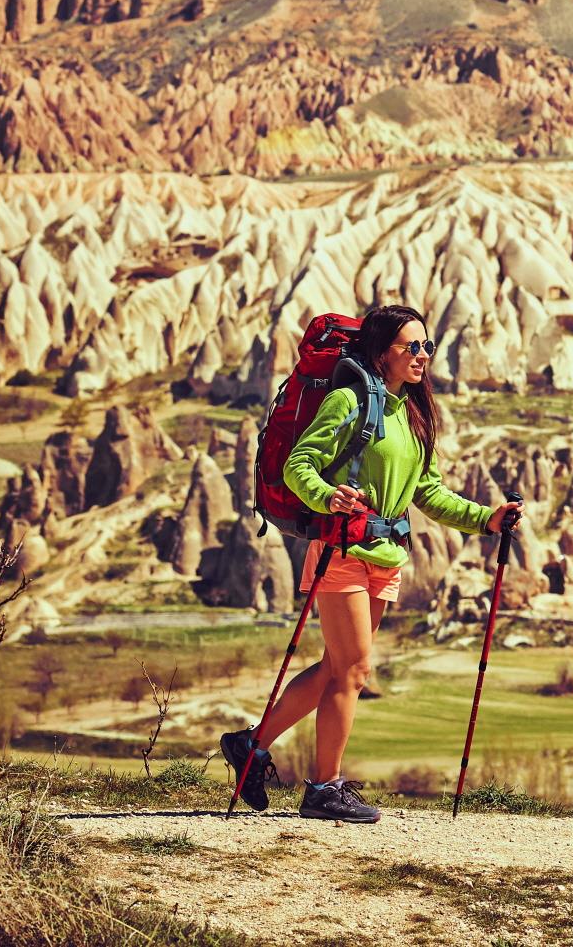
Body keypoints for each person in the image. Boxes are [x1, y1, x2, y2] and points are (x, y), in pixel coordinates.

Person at [221, 305, 522, 823]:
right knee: (355, 670)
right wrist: (326, 497)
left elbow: (426, 491)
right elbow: (300, 465)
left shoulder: (415, 413)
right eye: (411, 347)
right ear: (382, 352)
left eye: (427, 346)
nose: (423, 356)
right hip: (341, 550)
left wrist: (485, 520)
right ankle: (323, 788)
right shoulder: (349, 400)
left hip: (386, 555)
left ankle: (251, 745)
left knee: (338, 668)